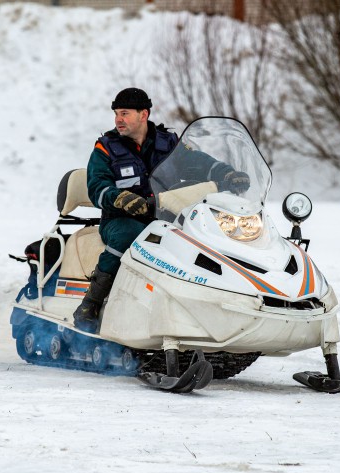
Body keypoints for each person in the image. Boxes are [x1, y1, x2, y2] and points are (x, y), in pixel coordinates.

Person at [72, 88, 250, 332]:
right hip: (120, 219)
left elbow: (197, 162)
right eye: (116, 114)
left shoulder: (168, 144)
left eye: (124, 113)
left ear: (143, 114)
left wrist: (225, 172)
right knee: (129, 236)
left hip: (165, 215)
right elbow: (97, 187)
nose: (118, 120)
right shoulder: (106, 148)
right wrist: (120, 198)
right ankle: (90, 304)